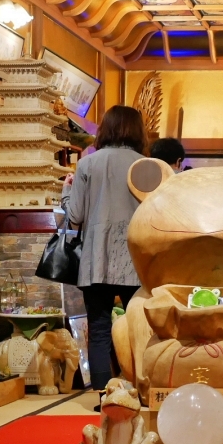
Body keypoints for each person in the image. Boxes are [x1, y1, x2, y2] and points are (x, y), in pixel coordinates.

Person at [62, 105, 146, 389]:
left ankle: (103, 395)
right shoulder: (146, 165)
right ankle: (140, 389)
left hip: (96, 260)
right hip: (136, 259)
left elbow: (74, 217)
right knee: (139, 329)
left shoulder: (87, 164)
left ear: (105, 129)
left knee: (99, 330)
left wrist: (66, 191)